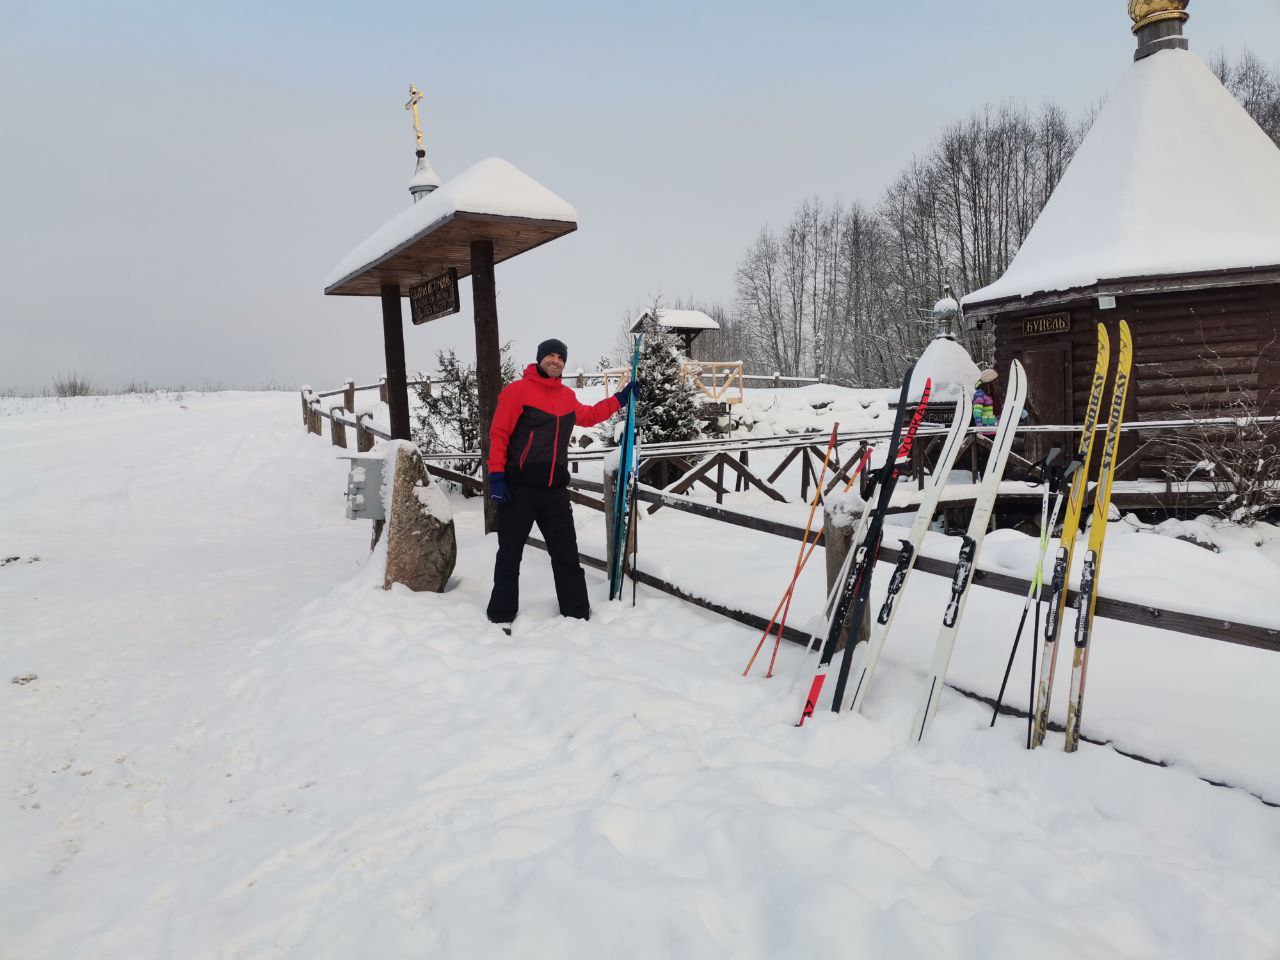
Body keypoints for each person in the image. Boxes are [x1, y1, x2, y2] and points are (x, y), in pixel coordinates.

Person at [486, 338, 640, 624]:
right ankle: (501, 614)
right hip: (519, 490)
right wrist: (496, 477)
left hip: (554, 491)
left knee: (566, 554)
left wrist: (620, 399)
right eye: (550, 356)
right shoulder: (516, 392)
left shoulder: (566, 397)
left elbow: (591, 416)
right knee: (509, 555)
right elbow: (499, 434)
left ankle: (577, 612)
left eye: (560, 358)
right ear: (540, 358)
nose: (555, 361)